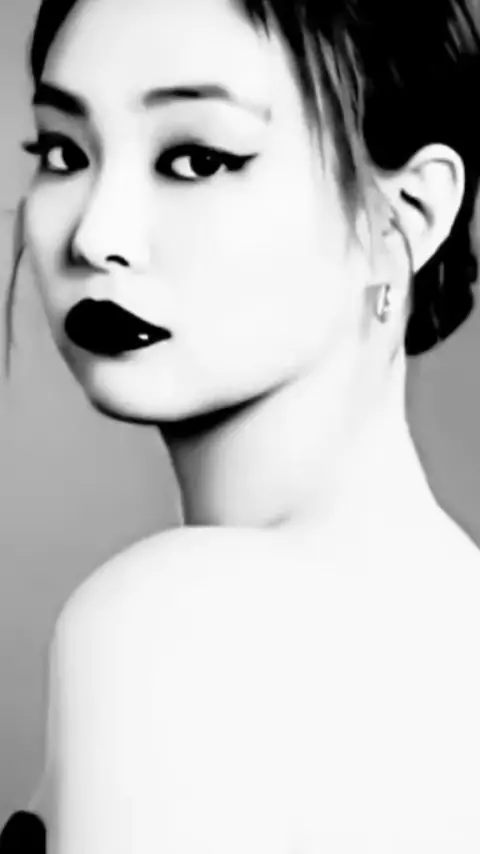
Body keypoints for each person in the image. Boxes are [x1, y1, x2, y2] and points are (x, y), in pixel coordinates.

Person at [2, 0, 480, 849]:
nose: (97, 236)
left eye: (196, 158)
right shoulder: (453, 615)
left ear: (406, 214)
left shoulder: (179, 627)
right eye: (64, 151)